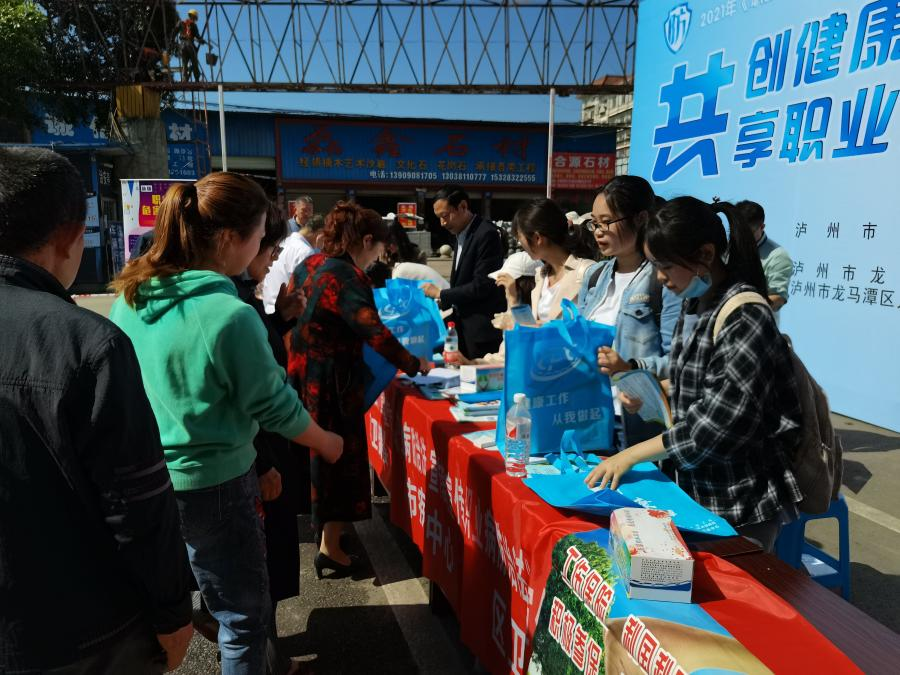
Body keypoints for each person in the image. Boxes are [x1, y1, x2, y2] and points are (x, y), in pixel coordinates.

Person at [110, 172, 343, 674]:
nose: (263, 248)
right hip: (215, 484)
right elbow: (275, 406)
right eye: (260, 237)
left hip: (149, 482)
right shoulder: (228, 314)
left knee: (182, 603)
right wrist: (326, 441)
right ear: (231, 239)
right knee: (242, 619)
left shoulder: (132, 299)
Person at [0, 147, 193, 673]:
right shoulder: (86, 342)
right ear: (70, 235)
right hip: (83, 635)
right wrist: (172, 612)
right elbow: (136, 500)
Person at [585, 197, 803, 553]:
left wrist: (629, 455)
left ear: (705, 254)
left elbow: (715, 427)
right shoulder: (695, 302)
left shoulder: (746, 316)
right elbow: (694, 376)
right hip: (695, 490)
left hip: (738, 501)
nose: (660, 278)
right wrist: (650, 390)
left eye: (666, 266)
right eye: (654, 265)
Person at [286, 201, 430, 576]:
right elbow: (375, 333)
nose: (376, 257)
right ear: (366, 241)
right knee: (338, 460)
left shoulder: (309, 265)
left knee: (320, 458)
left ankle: (327, 537)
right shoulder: (348, 278)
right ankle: (331, 549)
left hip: (302, 374)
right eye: (378, 248)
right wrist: (415, 363)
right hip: (333, 383)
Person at [230, 203, 308, 675]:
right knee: (255, 580)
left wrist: (280, 318)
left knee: (256, 577)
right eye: (270, 246)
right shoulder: (229, 305)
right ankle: (267, 662)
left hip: (260, 451)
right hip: (256, 454)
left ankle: (269, 657)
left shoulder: (241, 297)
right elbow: (247, 396)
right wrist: (264, 462)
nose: (274, 256)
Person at [576, 176, 681, 448]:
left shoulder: (663, 280)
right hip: (590, 415)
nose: (598, 231)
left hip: (636, 424)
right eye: (594, 223)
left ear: (641, 219)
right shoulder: (594, 276)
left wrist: (631, 368)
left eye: (607, 222)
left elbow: (678, 362)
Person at [462, 199, 596, 365]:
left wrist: (545, 329)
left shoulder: (587, 272)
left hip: (573, 372)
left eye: (520, 237)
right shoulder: (541, 276)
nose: (519, 243)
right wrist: (477, 363)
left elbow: (597, 332)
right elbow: (523, 338)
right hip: (542, 372)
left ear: (537, 238)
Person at [422, 185, 506, 359]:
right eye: (439, 218)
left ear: (462, 206)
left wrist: (441, 293)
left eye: (445, 215)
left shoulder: (486, 234)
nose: (442, 223)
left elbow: (482, 285)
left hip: (481, 332)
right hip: (462, 328)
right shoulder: (461, 234)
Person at [736, 199, 793, 323]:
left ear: (762, 227)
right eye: (738, 231)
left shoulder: (777, 256)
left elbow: (778, 297)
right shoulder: (728, 246)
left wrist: (743, 314)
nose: (742, 237)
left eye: (748, 233)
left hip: (756, 326)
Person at [262, 196, 317, 314]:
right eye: (304, 210)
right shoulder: (286, 228)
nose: (308, 214)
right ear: (295, 209)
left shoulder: (311, 233)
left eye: (310, 210)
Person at [174, 8, 206, 82]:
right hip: (189, 45)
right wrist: (202, 41)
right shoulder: (193, 25)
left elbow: (174, 32)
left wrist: (173, 42)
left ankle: (184, 79)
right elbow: (198, 37)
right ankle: (197, 78)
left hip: (182, 46)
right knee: (194, 62)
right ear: (194, 18)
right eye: (195, 18)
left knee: (184, 63)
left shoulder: (181, 23)